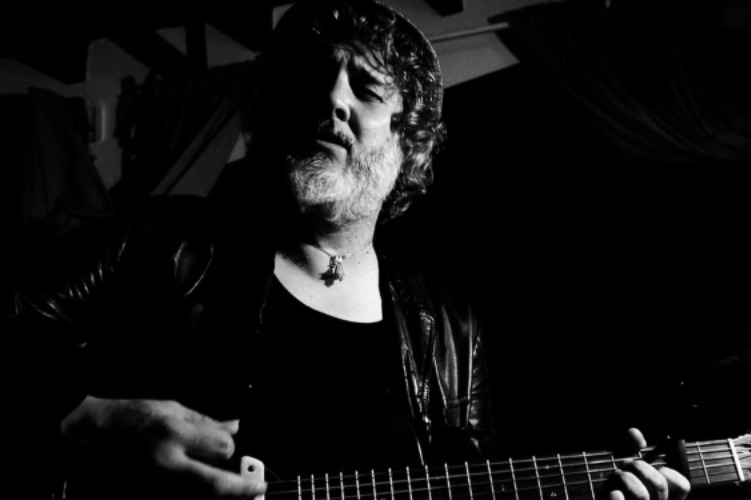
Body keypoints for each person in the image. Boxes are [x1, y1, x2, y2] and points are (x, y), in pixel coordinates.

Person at [1, 1, 691, 499]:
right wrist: (83, 419)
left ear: (407, 147)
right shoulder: (167, 241)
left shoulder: (449, 323)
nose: (332, 98)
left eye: (365, 89)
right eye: (314, 80)